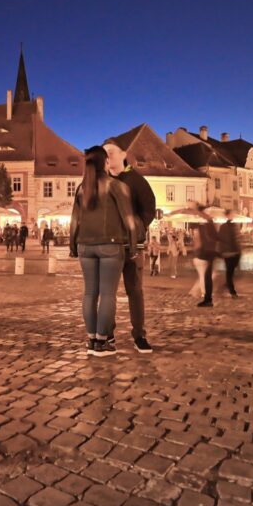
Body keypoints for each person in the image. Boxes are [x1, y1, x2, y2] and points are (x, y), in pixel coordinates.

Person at [69, 146, 139, 356]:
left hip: (85, 246)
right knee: (108, 294)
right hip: (110, 245)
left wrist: (73, 247)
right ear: (106, 163)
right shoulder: (115, 186)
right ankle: (102, 342)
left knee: (90, 293)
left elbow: (74, 221)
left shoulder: (82, 188)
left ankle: (91, 340)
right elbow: (129, 220)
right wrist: (133, 247)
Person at [103, 138, 157, 352]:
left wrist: (138, 229)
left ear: (123, 154)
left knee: (135, 290)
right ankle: (108, 333)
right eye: (105, 153)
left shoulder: (136, 180)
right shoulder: (102, 181)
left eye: (112, 152)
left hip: (133, 248)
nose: (108, 157)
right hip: (109, 247)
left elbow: (149, 209)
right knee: (108, 292)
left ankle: (139, 335)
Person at [191, 206, 220, 306]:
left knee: (207, 277)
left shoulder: (209, 223)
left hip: (209, 253)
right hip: (208, 253)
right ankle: (208, 299)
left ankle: (208, 300)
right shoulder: (205, 224)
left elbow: (214, 238)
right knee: (207, 277)